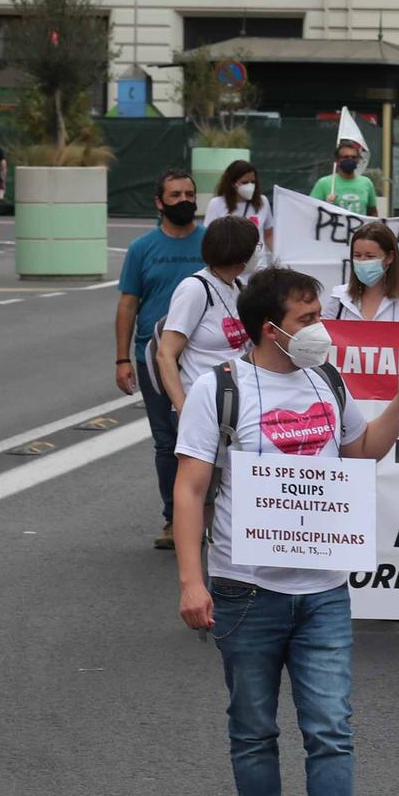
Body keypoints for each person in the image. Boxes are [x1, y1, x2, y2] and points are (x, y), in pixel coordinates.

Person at [173, 266, 399, 796]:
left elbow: (362, 449)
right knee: (255, 731)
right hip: (245, 591)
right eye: (307, 318)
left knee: (332, 730)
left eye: (319, 313)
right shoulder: (220, 390)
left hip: (323, 592)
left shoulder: (327, 380)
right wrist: (191, 580)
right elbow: (192, 487)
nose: (320, 328)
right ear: (270, 329)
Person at [116, 170, 206, 548]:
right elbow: (128, 304)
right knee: (168, 442)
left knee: (213, 439)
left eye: (189, 193)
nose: (184, 200)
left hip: (205, 359)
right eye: (175, 194)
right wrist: (122, 359)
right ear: (159, 202)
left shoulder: (211, 242)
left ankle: (215, 518)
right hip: (154, 360)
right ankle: (175, 519)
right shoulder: (141, 249)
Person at [156, 215, 257, 413]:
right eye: (256, 246)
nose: (258, 252)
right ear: (240, 254)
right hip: (203, 406)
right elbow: (165, 354)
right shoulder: (194, 289)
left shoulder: (237, 287)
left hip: (237, 404)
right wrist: (183, 409)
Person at [328, 223, 399, 322]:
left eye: (370, 256)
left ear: (389, 257)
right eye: (357, 255)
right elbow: (323, 335)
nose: (362, 261)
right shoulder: (339, 297)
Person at [206, 160, 277, 259]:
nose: (250, 186)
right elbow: (210, 237)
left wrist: (278, 257)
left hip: (258, 266)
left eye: (253, 182)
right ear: (232, 183)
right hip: (229, 264)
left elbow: (269, 234)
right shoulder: (216, 204)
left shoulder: (262, 201)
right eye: (245, 182)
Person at [312, 142, 376, 215]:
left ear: (358, 160)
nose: (350, 160)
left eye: (354, 157)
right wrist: (325, 205)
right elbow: (311, 211)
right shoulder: (323, 183)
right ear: (337, 160)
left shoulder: (366, 182)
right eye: (346, 157)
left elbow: (373, 212)